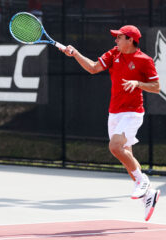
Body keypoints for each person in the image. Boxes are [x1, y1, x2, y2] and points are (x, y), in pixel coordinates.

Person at [61, 25, 160, 221]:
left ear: (130, 40)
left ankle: (143, 181)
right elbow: (92, 68)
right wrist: (76, 54)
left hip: (132, 113)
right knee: (127, 158)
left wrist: (138, 84)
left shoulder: (144, 61)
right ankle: (149, 195)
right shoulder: (114, 53)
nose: (115, 41)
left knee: (115, 147)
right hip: (114, 113)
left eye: (119, 37)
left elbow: (156, 87)